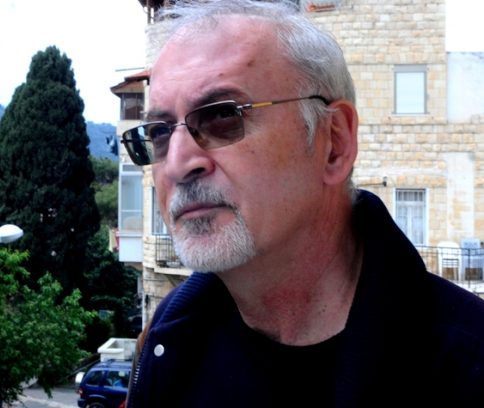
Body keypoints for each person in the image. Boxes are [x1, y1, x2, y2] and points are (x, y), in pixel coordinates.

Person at [120, 0, 484, 406]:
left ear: (334, 143)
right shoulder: (168, 344)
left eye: (223, 116)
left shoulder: (467, 365)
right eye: (159, 133)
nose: (177, 164)